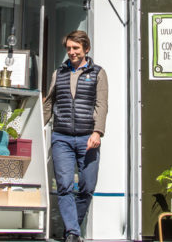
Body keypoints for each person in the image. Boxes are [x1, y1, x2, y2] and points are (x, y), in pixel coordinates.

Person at [43, 30, 108, 242]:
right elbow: (49, 104)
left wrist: (97, 132)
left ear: (86, 49)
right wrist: (37, 126)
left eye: (76, 48)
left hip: (87, 138)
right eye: (69, 48)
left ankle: (72, 227)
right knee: (64, 186)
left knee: (88, 186)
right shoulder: (58, 73)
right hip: (61, 137)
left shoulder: (98, 73)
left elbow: (102, 105)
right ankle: (72, 232)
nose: (71, 52)